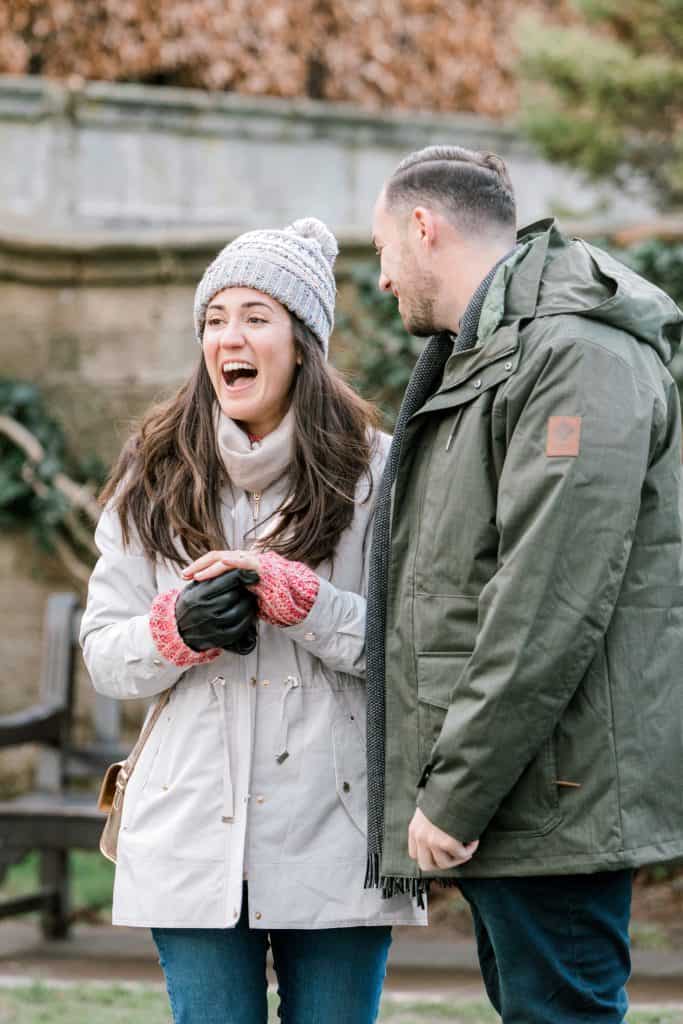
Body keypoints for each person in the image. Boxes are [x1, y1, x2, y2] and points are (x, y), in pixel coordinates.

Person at [80, 217, 425, 1024]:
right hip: (190, 827)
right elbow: (105, 655)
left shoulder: (380, 470)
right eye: (214, 318)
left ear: (302, 342)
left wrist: (306, 604)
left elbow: (415, 648)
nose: (228, 337)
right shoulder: (153, 469)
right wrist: (175, 629)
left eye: (255, 317)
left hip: (337, 827)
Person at [365, 144, 683, 1022]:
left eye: (383, 248)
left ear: (423, 228)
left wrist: (454, 790)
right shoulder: (497, 353)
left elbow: (548, 598)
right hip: (526, 792)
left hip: (553, 794)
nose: (383, 279)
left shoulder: (575, 357)